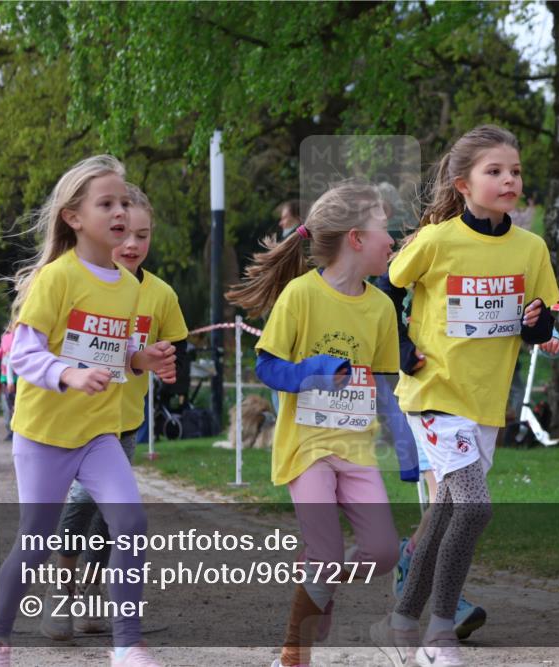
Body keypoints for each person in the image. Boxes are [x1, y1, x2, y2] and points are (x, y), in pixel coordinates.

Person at [0, 155, 176, 667]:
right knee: (35, 544)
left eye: (124, 201)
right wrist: (69, 374)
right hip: (44, 434)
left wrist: (139, 358)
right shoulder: (56, 279)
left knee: (131, 522)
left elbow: (115, 353)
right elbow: (23, 353)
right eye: (107, 203)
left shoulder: (130, 288)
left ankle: (128, 644)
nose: (121, 211)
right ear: (74, 217)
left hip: (99, 433)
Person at [371, 125, 559, 667]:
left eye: (516, 171)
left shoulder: (532, 248)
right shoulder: (435, 240)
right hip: (433, 393)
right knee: (474, 508)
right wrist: (401, 345)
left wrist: (538, 323)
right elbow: (384, 289)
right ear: (462, 183)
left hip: (485, 402)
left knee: (445, 513)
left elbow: (538, 321)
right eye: (495, 171)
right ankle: (439, 633)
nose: (509, 180)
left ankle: (401, 622)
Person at [227, 181, 402, 667]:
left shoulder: (382, 307)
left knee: (384, 553)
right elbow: (266, 367)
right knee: (324, 552)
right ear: (356, 238)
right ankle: (294, 647)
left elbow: (385, 384)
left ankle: (319, 588)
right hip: (307, 449)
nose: (393, 240)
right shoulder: (301, 296)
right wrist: (311, 371)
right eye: (385, 229)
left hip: (358, 451)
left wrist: (407, 450)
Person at [40, 183, 189, 642]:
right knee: (81, 507)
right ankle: (61, 597)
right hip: (76, 420)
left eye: (142, 236)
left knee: (110, 519)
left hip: (124, 422)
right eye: (124, 233)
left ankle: (89, 596)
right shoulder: (73, 279)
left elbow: (172, 348)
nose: (132, 245)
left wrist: (164, 360)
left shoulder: (159, 294)